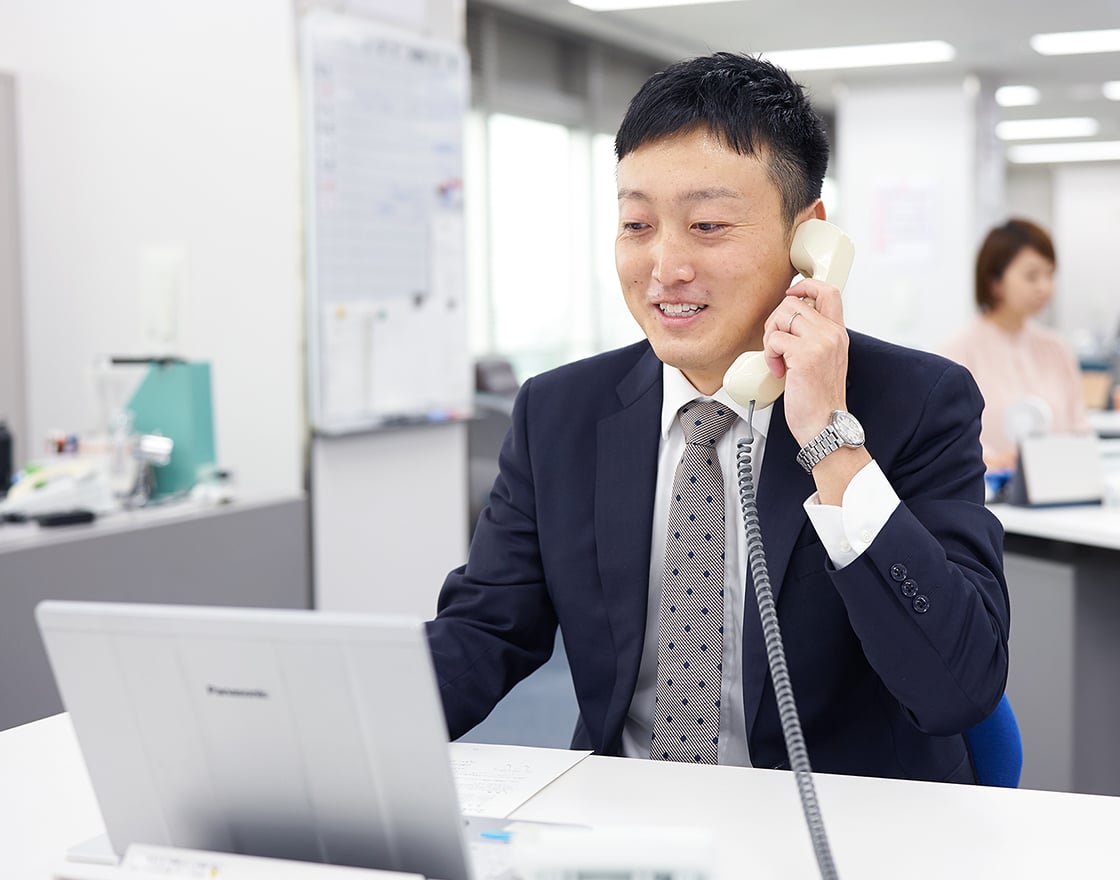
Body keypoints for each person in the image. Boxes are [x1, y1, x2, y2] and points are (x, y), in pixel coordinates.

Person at [427, 53, 1008, 784]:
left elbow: (958, 686)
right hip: (630, 823)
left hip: (844, 826)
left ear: (809, 240)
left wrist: (831, 441)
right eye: (637, 223)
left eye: (706, 225)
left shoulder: (917, 402)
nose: (664, 265)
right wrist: (333, 729)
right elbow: (483, 632)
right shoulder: (559, 412)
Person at [941, 218, 1090, 472]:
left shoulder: (1057, 349)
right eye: (1032, 276)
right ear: (995, 282)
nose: (1045, 287)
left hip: (1062, 490)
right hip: (992, 494)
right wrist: (991, 461)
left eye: (1050, 274)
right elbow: (948, 440)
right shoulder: (960, 350)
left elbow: (1080, 429)